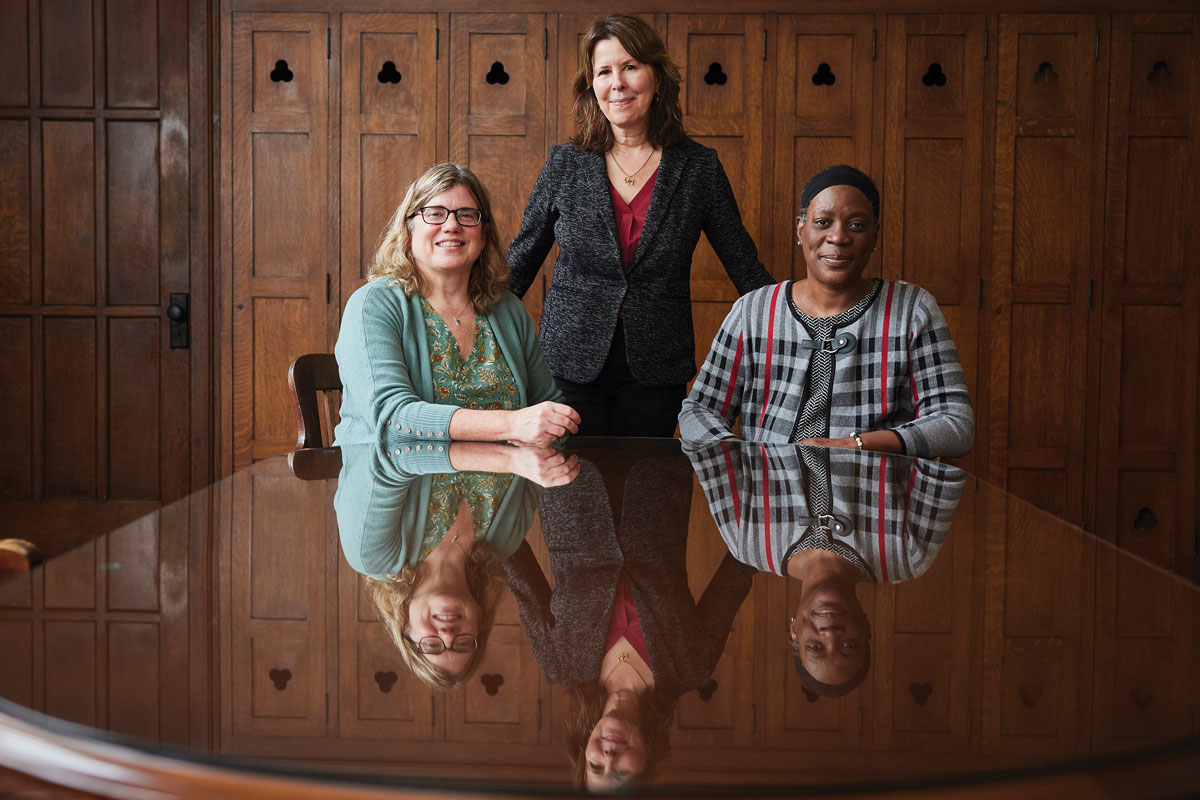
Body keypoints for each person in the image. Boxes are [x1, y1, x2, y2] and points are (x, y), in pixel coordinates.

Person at [508, 14, 774, 437]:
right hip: (569, 366)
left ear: (656, 76)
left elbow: (745, 268)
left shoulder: (698, 169)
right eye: (604, 71)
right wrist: (457, 320)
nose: (618, 83)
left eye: (630, 66)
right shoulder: (565, 163)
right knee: (572, 495)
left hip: (656, 369)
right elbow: (518, 266)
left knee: (650, 494)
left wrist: (807, 322)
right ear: (591, 86)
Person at [503, 442, 754, 789]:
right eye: (621, 772)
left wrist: (494, 491)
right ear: (648, 757)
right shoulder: (690, 668)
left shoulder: (562, 666)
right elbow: (737, 573)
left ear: (584, 751)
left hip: (569, 477)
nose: (608, 757)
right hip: (655, 470)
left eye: (595, 766)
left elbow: (519, 573)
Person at [679, 164, 974, 459]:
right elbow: (699, 410)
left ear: (875, 236)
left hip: (875, 498)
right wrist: (742, 456)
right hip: (770, 498)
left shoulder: (912, 310)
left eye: (856, 225)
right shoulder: (753, 311)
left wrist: (855, 445)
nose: (838, 237)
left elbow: (955, 424)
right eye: (822, 222)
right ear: (801, 229)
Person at [686, 440, 967, 697]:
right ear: (865, 627)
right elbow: (945, 448)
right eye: (849, 646)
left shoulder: (747, 543)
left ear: (794, 630)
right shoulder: (908, 556)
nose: (831, 635)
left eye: (815, 647)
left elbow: (707, 446)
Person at [334, 162, 580, 451]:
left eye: (467, 215)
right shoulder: (374, 305)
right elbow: (390, 419)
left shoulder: (507, 309)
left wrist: (555, 426)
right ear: (409, 230)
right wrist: (512, 424)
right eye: (435, 214)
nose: (452, 226)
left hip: (508, 487)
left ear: (483, 236)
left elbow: (550, 410)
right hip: (400, 485)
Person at [335, 441, 579, 690]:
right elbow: (545, 452)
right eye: (463, 644)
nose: (448, 635)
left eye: (431, 644)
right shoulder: (504, 540)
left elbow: (391, 449)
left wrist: (508, 457)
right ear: (480, 623)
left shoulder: (372, 552)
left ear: (405, 628)